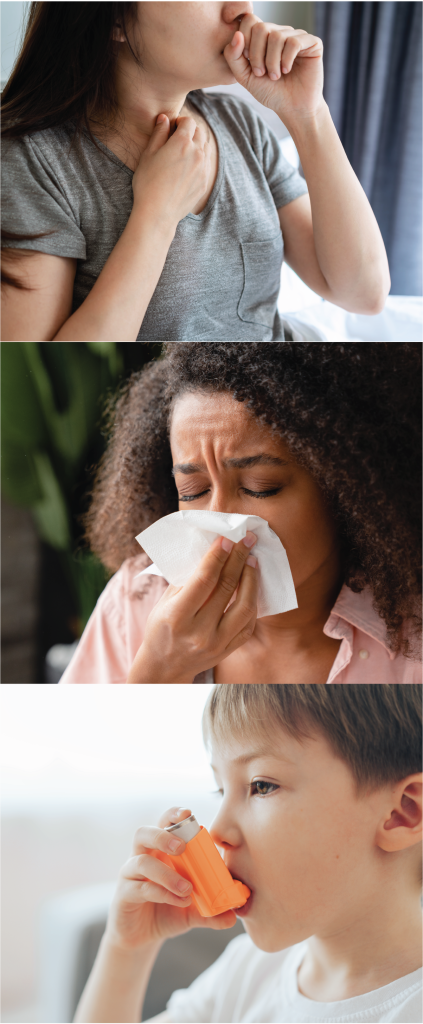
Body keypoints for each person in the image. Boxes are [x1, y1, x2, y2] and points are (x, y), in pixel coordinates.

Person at [0, 1, 390, 345]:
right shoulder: (33, 161)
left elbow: (364, 294)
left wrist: (310, 115)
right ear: (114, 18)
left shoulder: (239, 125)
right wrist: (156, 216)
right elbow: (35, 376)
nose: (243, 9)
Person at [61, 341, 423, 685]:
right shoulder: (136, 599)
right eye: (193, 491)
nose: (220, 521)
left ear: (344, 487)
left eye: (260, 488)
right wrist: (159, 670)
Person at [73, 684, 423, 1024]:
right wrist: (127, 949)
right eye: (220, 790)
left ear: (402, 813)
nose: (216, 831)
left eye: (262, 786)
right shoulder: (246, 974)